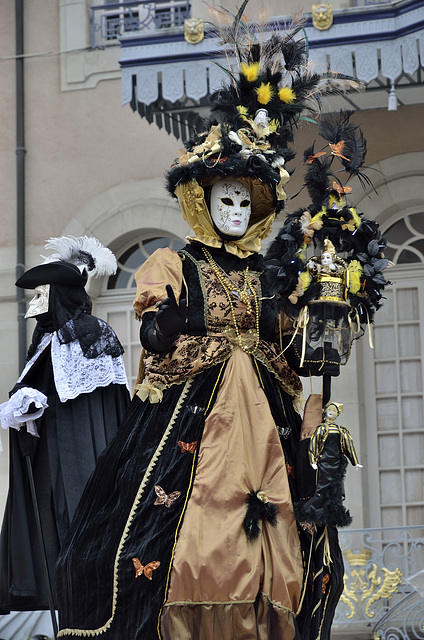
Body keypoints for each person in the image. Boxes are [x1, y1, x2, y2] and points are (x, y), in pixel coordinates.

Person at [54, 9, 376, 639]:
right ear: (203, 200)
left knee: (281, 543)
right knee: (179, 541)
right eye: (223, 198)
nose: (233, 209)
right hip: (193, 414)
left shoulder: (272, 274)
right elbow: (154, 332)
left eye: (244, 201)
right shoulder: (176, 261)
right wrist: (164, 325)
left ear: (257, 208)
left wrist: (325, 325)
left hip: (266, 417)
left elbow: (295, 343)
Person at [0, 236, 130, 614]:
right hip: (47, 456)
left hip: (82, 454)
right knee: (50, 534)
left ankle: (89, 616)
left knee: (78, 527)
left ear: (59, 294)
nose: (35, 302)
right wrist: (24, 404)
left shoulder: (93, 333)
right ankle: (65, 614)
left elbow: (98, 403)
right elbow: (31, 388)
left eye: (41, 292)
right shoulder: (45, 341)